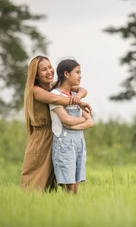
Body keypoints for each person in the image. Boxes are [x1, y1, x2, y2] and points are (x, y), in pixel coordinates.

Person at [20, 55, 92, 192]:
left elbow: (82, 90)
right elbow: (55, 99)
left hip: (58, 137)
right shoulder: (35, 91)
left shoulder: (55, 86)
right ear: (35, 75)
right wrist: (79, 102)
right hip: (42, 138)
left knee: (58, 180)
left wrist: (79, 97)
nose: (49, 72)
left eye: (49, 67)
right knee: (35, 181)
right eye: (43, 69)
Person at [49, 59, 94, 194]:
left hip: (79, 142)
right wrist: (81, 120)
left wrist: (74, 126)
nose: (80, 76)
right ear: (66, 74)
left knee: (75, 186)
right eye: (77, 72)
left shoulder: (74, 96)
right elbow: (66, 119)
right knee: (68, 188)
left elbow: (90, 122)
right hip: (64, 144)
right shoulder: (55, 95)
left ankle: (73, 211)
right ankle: (66, 211)